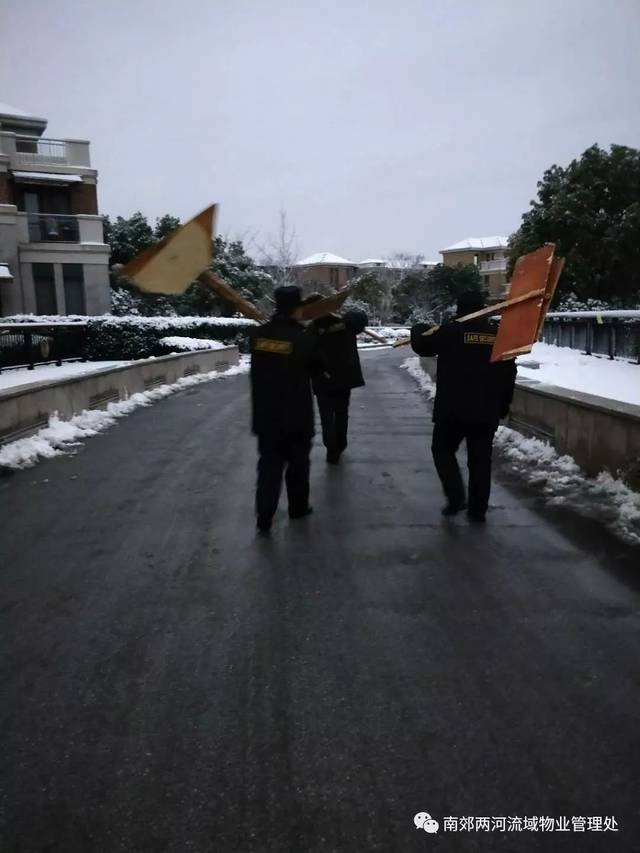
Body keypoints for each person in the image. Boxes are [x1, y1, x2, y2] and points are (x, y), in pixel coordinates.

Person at [410, 290, 517, 523]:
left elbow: (422, 346)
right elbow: (509, 372)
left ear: (459, 309)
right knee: (480, 459)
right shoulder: (498, 335)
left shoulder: (449, 331)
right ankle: (478, 510)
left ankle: (456, 496)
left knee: (442, 450)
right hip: (486, 409)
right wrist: (504, 404)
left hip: (452, 409)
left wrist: (417, 328)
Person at [248, 285, 321, 534]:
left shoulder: (258, 336)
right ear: (297, 308)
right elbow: (319, 368)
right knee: (298, 465)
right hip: (297, 416)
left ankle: (264, 516)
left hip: (266, 415)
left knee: (268, 467)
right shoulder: (304, 338)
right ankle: (298, 507)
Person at [304, 294, 368, 464]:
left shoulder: (340, 323)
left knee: (328, 415)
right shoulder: (339, 324)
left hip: (325, 378)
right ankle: (337, 445)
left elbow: (359, 320)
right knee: (340, 413)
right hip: (339, 378)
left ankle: (333, 446)